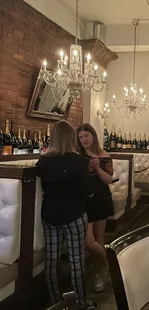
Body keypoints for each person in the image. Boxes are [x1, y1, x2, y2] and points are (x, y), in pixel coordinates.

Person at [36, 120, 96, 310]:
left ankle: (56, 303)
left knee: (51, 261)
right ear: (71, 138)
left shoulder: (42, 161)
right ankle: (80, 303)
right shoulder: (79, 161)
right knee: (77, 260)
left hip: (50, 215)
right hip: (75, 215)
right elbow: (88, 191)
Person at [77, 123, 114, 293]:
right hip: (83, 200)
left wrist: (97, 166)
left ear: (93, 136)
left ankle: (101, 274)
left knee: (99, 237)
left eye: (86, 136)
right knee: (88, 241)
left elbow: (108, 180)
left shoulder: (104, 155)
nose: (83, 139)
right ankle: (112, 263)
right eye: (80, 137)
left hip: (101, 198)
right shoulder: (77, 156)